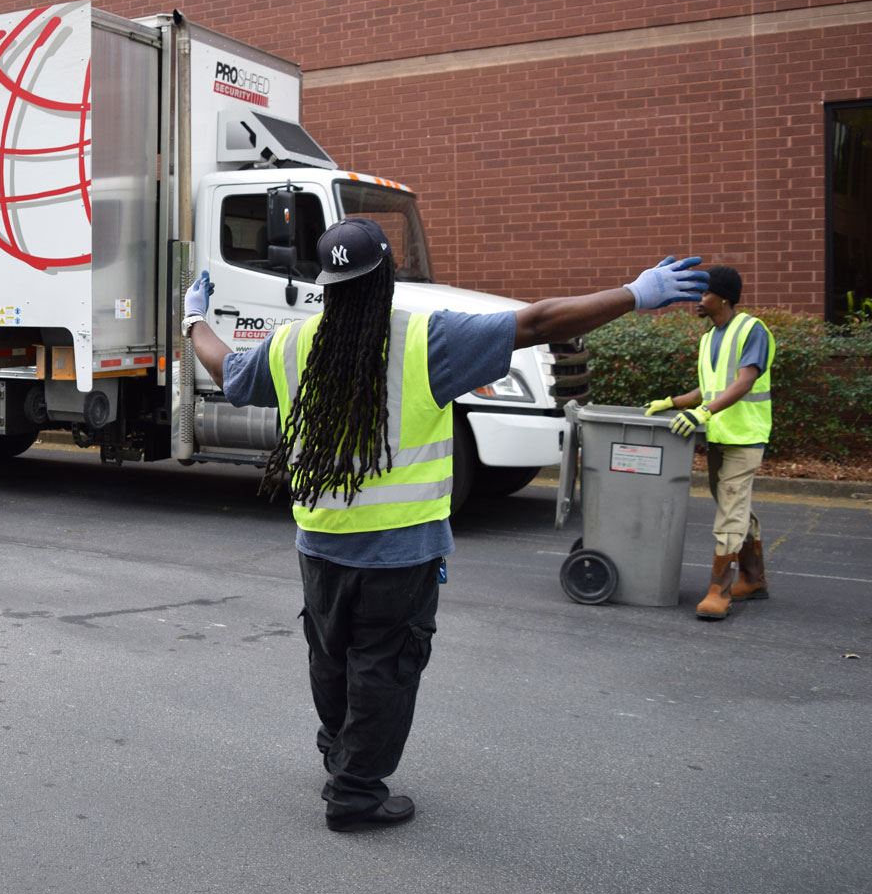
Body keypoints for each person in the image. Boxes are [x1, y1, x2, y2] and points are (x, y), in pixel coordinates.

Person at [184, 218, 707, 832]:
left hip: (320, 541)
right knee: (385, 665)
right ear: (384, 277)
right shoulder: (425, 339)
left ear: (327, 282)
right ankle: (354, 793)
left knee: (332, 657)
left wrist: (195, 317)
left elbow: (226, 371)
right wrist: (635, 293)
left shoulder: (292, 343)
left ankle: (340, 754)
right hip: (400, 552)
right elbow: (538, 323)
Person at [644, 266, 773, 620]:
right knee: (734, 504)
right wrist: (674, 402)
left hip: (746, 436)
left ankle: (719, 590)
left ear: (724, 297)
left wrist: (704, 413)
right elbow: (711, 387)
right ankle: (755, 578)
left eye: (703, 294)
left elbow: (744, 382)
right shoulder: (709, 338)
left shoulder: (751, 330)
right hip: (719, 435)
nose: (697, 301)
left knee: (730, 509)